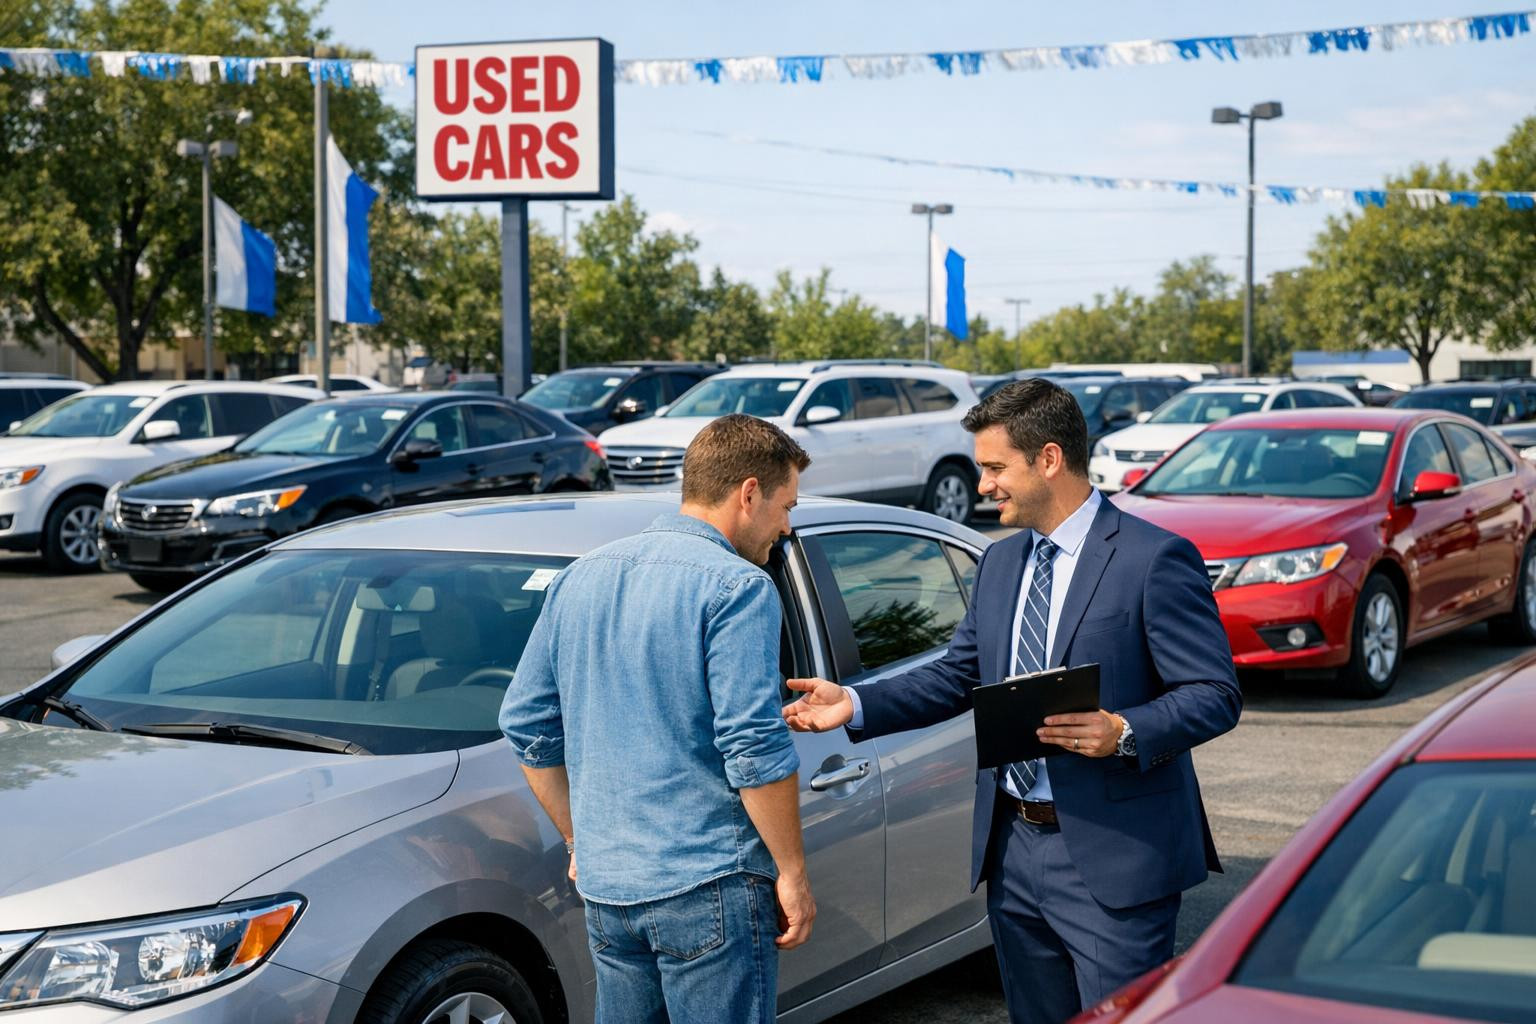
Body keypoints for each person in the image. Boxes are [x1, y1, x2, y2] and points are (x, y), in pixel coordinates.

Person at [783, 379, 1240, 1024]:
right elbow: (955, 678)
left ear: (1048, 459)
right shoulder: (1000, 565)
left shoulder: (1153, 558)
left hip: (1116, 859)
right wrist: (853, 704)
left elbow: (1215, 694)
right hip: (1014, 852)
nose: (983, 486)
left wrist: (1124, 729)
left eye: (995, 468)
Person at [500, 413, 816, 1024]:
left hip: (608, 890)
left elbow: (526, 723)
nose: (786, 525)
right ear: (749, 492)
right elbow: (752, 747)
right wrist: (793, 874)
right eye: (785, 505)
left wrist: (578, 838)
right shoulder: (739, 587)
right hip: (709, 885)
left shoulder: (580, 576)